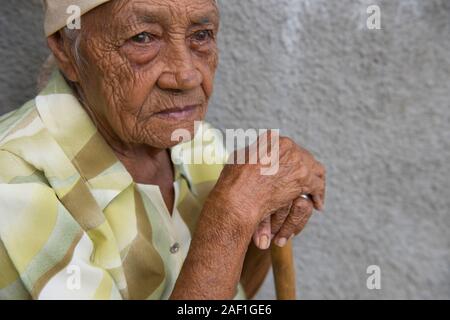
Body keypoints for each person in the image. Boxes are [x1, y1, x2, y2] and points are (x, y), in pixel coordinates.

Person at [0, 0, 326, 300]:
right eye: (143, 38)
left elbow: (234, 293)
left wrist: (263, 213)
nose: (186, 75)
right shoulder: (13, 180)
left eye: (201, 35)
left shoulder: (197, 143)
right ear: (65, 51)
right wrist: (233, 214)